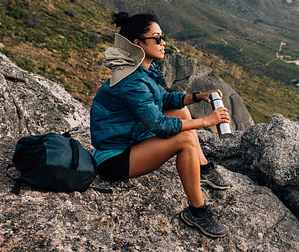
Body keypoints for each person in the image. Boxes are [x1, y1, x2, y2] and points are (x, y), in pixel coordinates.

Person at [90, 12, 231, 238]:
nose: (163, 42)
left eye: (162, 37)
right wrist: (207, 121)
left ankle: (202, 168)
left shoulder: (140, 70)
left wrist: (197, 96)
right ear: (138, 44)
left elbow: (163, 101)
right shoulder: (132, 81)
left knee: (181, 110)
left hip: (130, 140)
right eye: (157, 38)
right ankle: (197, 211)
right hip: (114, 159)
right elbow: (160, 125)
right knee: (184, 139)